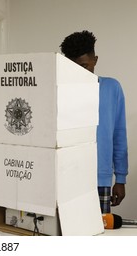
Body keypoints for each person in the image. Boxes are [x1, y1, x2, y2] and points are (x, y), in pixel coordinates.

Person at [60, 30, 128, 214]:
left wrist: (120, 179)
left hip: (100, 179)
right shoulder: (60, 91)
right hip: (66, 177)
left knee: (98, 234)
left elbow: (119, 135)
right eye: (72, 68)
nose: (79, 73)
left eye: (84, 66)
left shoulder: (112, 88)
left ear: (95, 60)